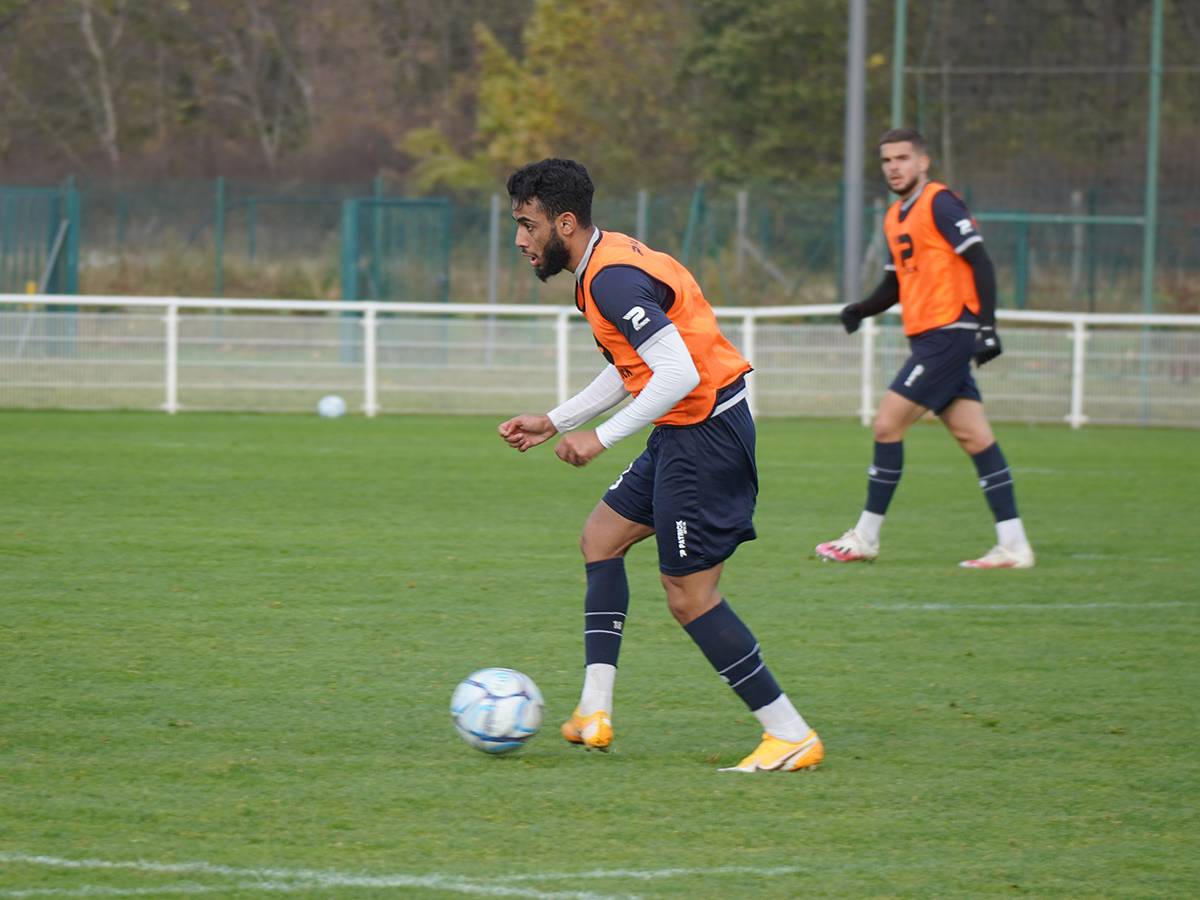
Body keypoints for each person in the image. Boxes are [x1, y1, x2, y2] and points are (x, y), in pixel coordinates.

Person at [498, 158, 822, 772]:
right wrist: (557, 420)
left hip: (706, 433)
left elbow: (678, 372)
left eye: (526, 225)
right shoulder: (603, 262)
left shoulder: (611, 279)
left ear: (564, 223)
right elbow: (635, 365)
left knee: (690, 596)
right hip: (686, 428)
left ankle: (789, 733)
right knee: (601, 538)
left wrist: (600, 439)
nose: (519, 240)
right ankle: (594, 711)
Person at [816, 128, 1034, 568]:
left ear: (922, 162)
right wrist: (862, 308)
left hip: (949, 334)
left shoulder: (940, 201)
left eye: (902, 158)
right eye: (886, 160)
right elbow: (897, 281)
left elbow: (980, 261)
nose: (894, 167)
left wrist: (987, 328)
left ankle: (865, 536)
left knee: (886, 424)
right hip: (932, 337)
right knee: (975, 437)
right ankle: (1014, 545)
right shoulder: (896, 215)